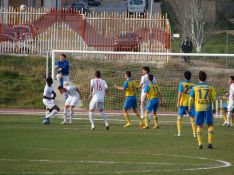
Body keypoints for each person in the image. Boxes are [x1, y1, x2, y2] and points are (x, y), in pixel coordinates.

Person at [189, 71, 216, 149]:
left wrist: (190, 107)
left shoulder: (195, 87)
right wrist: (214, 107)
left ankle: (200, 144)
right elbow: (213, 99)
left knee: (199, 125)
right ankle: (210, 144)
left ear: (199, 78)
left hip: (198, 108)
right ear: (205, 78)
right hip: (208, 108)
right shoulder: (210, 87)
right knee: (210, 125)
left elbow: (191, 99)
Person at [176, 71, 196, 137]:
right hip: (191, 103)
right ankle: (194, 134)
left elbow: (180, 94)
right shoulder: (193, 85)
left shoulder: (182, 83)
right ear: (190, 76)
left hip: (183, 103)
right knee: (192, 118)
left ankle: (179, 133)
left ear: (184, 76)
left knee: (179, 117)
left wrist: (178, 102)